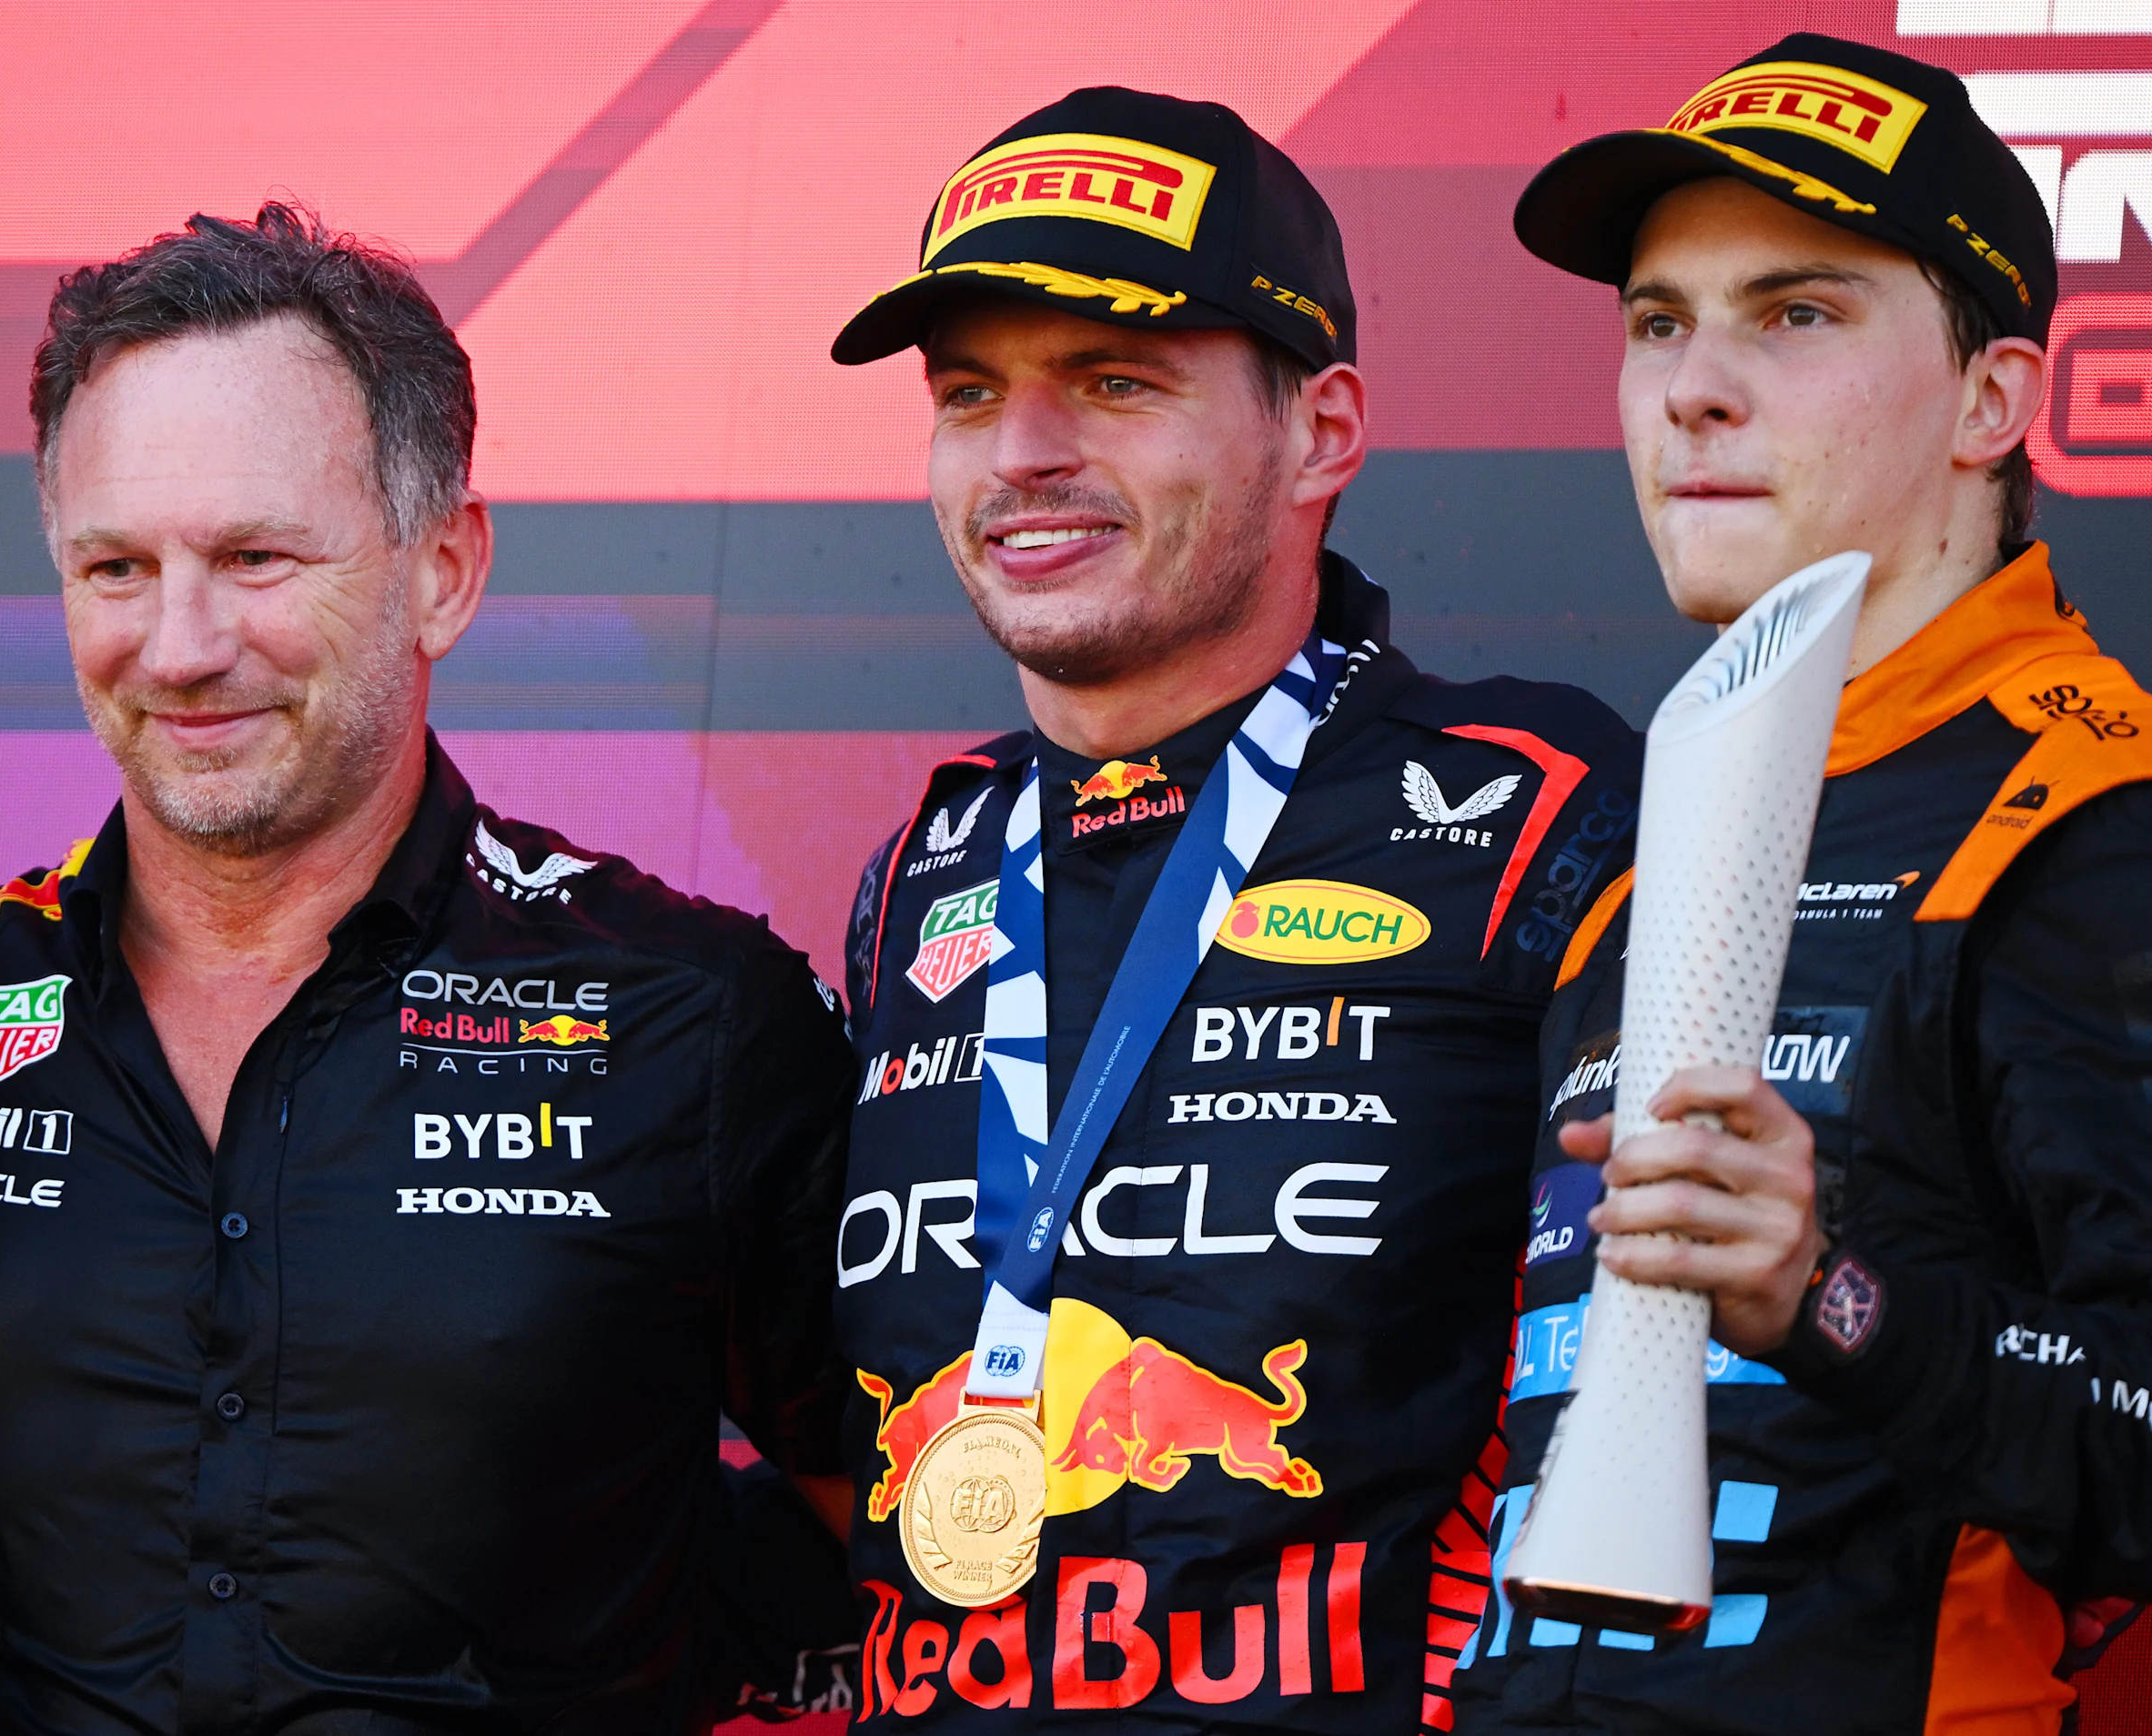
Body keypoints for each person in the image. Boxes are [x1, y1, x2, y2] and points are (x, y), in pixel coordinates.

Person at [0, 203, 854, 1733]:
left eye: (256, 557)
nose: (179, 646)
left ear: (443, 568)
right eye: (115, 566)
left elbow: (922, 1541)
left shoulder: (695, 1021)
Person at [822, 87, 1644, 1728]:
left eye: (1114, 381)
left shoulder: (1536, 810)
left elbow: (1659, 1405)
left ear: (1322, 432)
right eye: (969, 392)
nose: (1022, 453)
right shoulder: (925, 863)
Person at [1454, 34, 2152, 1735]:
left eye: (1798, 315)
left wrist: (1832, 1300)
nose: (1693, 388)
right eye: (1659, 323)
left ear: (1993, 401)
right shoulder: (1653, 827)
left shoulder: (2095, 819)